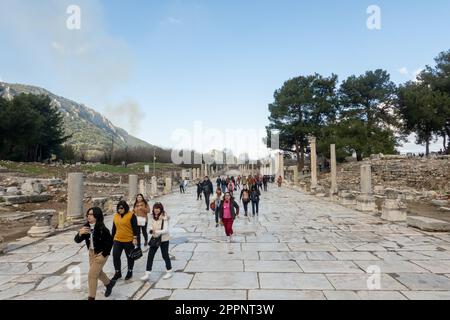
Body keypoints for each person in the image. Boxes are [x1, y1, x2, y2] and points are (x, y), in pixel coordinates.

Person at [74, 207, 115, 300]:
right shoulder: (86, 228)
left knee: (92, 275)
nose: (89, 216)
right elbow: (77, 240)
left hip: (101, 254)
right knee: (98, 272)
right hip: (92, 253)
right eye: (88, 214)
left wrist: (104, 255)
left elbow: (110, 242)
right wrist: (80, 233)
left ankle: (91, 297)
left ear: (97, 216)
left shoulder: (102, 228)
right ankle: (109, 284)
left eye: (91, 214)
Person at [141, 202, 173, 281]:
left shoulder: (164, 217)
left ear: (161, 209)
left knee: (165, 255)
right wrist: (151, 230)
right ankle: (147, 273)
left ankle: (169, 271)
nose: (156, 210)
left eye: (158, 208)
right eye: (155, 208)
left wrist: (156, 231)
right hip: (155, 239)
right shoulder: (153, 216)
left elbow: (165, 230)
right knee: (150, 255)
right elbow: (150, 227)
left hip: (164, 239)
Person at [111, 200, 138, 281]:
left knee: (129, 257)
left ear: (125, 208)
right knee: (115, 256)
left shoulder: (131, 215)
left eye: (122, 208)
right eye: (118, 208)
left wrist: (135, 238)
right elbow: (114, 228)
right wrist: (111, 239)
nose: (120, 210)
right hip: (117, 239)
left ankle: (130, 271)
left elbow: (135, 227)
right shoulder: (116, 216)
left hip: (128, 240)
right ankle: (117, 272)